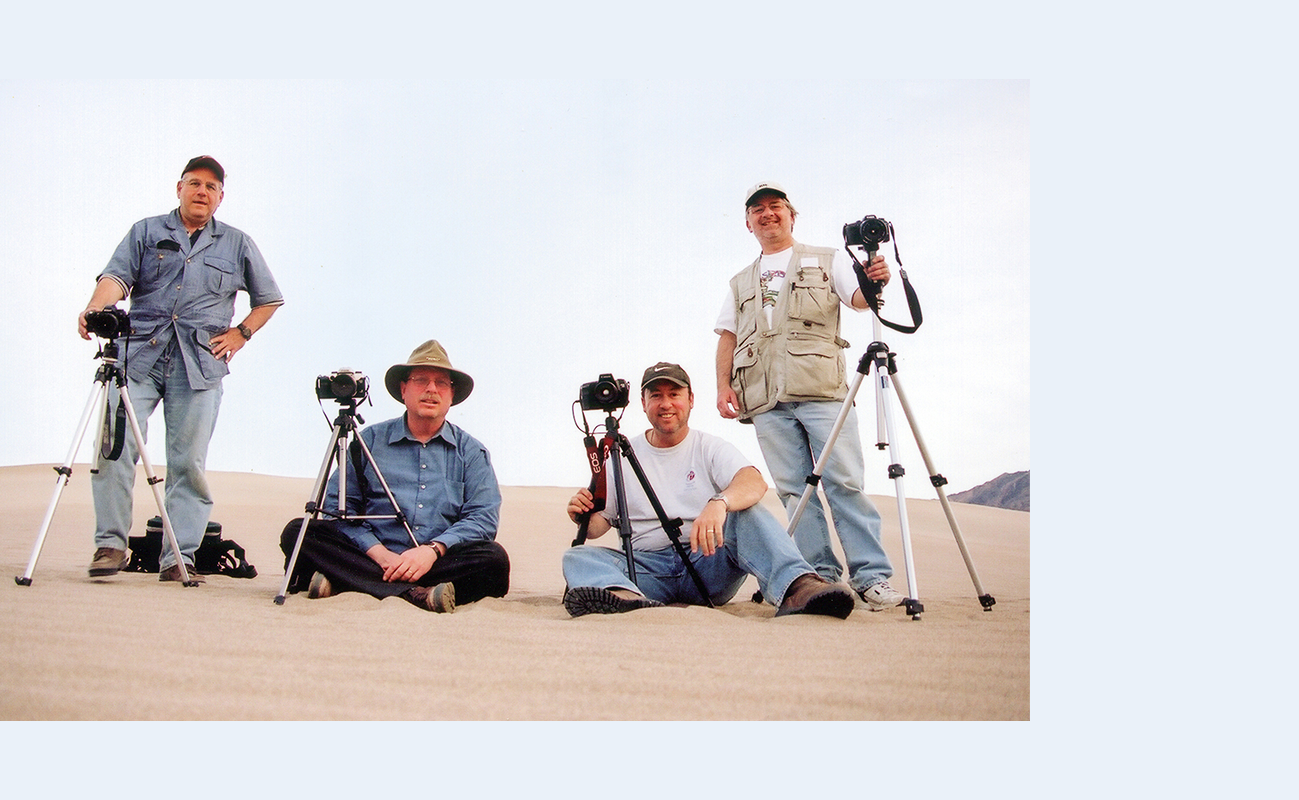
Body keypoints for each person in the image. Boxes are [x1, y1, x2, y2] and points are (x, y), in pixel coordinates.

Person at [79, 155, 285, 583]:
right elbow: (117, 277)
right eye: (194, 184)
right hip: (137, 357)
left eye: (211, 187)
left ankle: (179, 556)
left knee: (187, 461)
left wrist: (241, 333)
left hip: (199, 365)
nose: (202, 192)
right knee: (113, 448)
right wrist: (96, 307)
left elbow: (269, 298)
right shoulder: (147, 231)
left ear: (220, 197)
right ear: (179, 188)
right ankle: (111, 545)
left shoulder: (237, 242)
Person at [713, 181, 902, 611]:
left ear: (791, 215)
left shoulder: (826, 259)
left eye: (775, 206)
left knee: (844, 482)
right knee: (794, 491)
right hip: (765, 399)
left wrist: (874, 283)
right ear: (748, 224)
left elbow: (856, 300)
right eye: (757, 209)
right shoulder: (740, 281)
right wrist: (723, 385)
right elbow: (727, 335)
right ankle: (820, 578)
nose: (767, 214)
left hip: (822, 390)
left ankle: (872, 577)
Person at [562, 362, 855, 619]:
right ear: (643, 403)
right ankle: (624, 599)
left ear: (690, 400)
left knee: (746, 513)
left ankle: (798, 587)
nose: (666, 404)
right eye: (656, 396)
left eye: (674, 395)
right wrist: (583, 514)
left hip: (706, 560)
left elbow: (753, 481)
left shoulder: (708, 446)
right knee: (576, 557)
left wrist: (719, 503)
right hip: (645, 569)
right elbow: (598, 527)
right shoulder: (620, 455)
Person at [278, 340, 510, 613]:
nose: (431, 389)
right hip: (372, 556)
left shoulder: (471, 452)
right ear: (403, 389)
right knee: (298, 532)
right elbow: (336, 506)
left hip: (436, 562)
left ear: (451, 395)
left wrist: (431, 551)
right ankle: (416, 594)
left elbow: (483, 518)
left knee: (494, 560)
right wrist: (379, 553)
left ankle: (348, 581)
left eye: (441, 383)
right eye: (420, 380)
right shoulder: (370, 441)